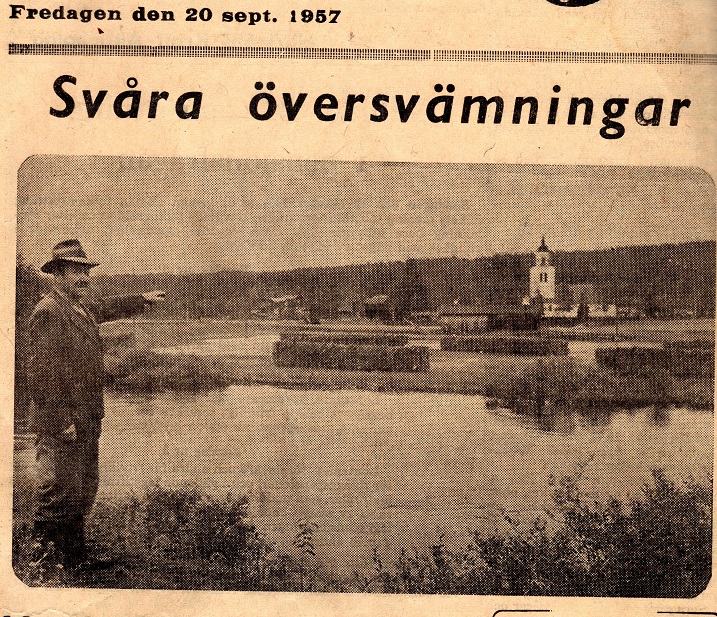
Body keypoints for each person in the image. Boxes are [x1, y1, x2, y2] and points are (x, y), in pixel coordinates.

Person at [26, 239, 165, 567]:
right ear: (59, 273)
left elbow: (107, 307)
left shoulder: (79, 307)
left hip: (87, 415)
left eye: (87, 272)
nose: (85, 278)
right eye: (78, 271)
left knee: (83, 486)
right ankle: (42, 559)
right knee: (58, 488)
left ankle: (73, 557)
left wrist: (141, 299)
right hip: (64, 420)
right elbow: (41, 374)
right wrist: (62, 421)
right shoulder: (49, 311)